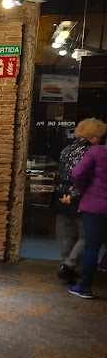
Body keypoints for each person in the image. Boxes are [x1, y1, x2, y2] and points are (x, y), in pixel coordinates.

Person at [69, 118, 107, 299]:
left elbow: (77, 173)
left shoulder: (95, 152)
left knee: (92, 247)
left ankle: (84, 287)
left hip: (95, 205)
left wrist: (81, 187)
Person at [55, 129, 91, 283]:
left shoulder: (66, 149)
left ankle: (65, 265)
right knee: (85, 234)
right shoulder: (90, 151)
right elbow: (82, 176)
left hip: (61, 192)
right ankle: (69, 265)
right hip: (78, 194)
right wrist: (75, 193)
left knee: (65, 233)